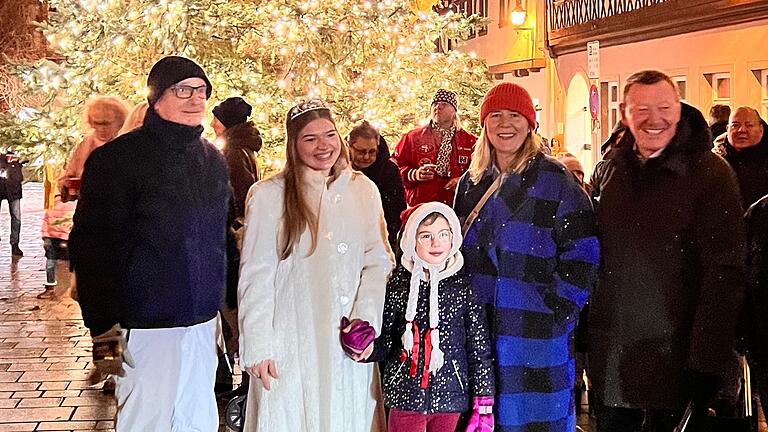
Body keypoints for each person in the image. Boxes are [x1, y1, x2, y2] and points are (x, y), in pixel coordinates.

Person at [69, 56, 230, 431]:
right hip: (145, 325)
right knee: (147, 422)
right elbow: (93, 247)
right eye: (183, 90)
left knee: (197, 420)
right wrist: (102, 330)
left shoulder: (211, 160)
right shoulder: (118, 160)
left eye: (201, 90)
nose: (195, 99)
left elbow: (220, 240)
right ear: (157, 98)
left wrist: (227, 309)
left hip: (201, 322)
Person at [588, 70, 746, 432]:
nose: (653, 119)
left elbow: (725, 274)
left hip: (678, 369)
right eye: (641, 109)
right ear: (625, 114)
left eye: (663, 107)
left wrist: (707, 361)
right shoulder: (615, 170)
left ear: (678, 110)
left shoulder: (709, 174)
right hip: (616, 368)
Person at [237, 99, 393, 432]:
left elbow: (377, 261)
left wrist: (365, 321)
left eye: (329, 135)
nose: (323, 146)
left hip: (347, 340)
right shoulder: (269, 196)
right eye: (310, 138)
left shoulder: (363, 190)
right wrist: (259, 345)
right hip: (291, 339)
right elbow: (256, 275)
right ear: (294, 145)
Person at [453, 82, 599, 432]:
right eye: (496, 116)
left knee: (537, 422)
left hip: (538, 330)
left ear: (530, 123)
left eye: (515, 115)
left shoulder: (556, 179)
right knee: (485, 420)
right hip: (481, 327)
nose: (506, 124)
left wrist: (559, 308)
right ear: (485, 124)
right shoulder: (470, 184)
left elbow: (584, 250)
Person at [367, 202, 494, 432]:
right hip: (405, 394)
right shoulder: (399, 285)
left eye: (443, 235)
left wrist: (483, 399)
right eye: (426, 236)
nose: (436, 243)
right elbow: (386, 339)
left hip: (450, 396)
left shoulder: (464, 287)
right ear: (410, 241)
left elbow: (479, 347)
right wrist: (367, 349)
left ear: (453, 238)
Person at [393, 89, 476, 207]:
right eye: (435, 104)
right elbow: (394, 168)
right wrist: (415, 174)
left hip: (457, 208)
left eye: (444, 104)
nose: (438, 107)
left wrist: (462, 182)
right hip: (421, 207)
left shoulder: (470, 142)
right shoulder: (412, 138)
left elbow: (481, 172)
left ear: (454, 111)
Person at [348, 121, 407, 251]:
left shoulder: (389, 171)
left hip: (381, 239)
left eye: (372, 152)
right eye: (361, 151)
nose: (366, 157)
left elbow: (397, 211)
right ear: (349, 147)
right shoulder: (339, 170)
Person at [58, 96, 129, 200]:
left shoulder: (127, 144)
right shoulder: (86, 144)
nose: (101, 128)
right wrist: (66, 185)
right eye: (97, 123)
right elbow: (69, 176)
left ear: (120, 122)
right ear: (90, 122)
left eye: (106, 123)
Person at [212, 96, 262, 220]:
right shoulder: (241, 149)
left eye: (216, 119)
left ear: (228, 123)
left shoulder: (235, 154)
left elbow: (241, 201)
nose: (212, 124)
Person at [719, 106, 768, 210]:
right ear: (727, 130)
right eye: (735, 125)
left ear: (761, 129)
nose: (741, 130)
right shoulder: (716, 162)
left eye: (749, 125)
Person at [0, 148, 24, 256]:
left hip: (14, 192)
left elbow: (20, 177)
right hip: (2, 189)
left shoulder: (18, 160)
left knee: (16, 219)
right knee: (16, 218)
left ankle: (15, 244)